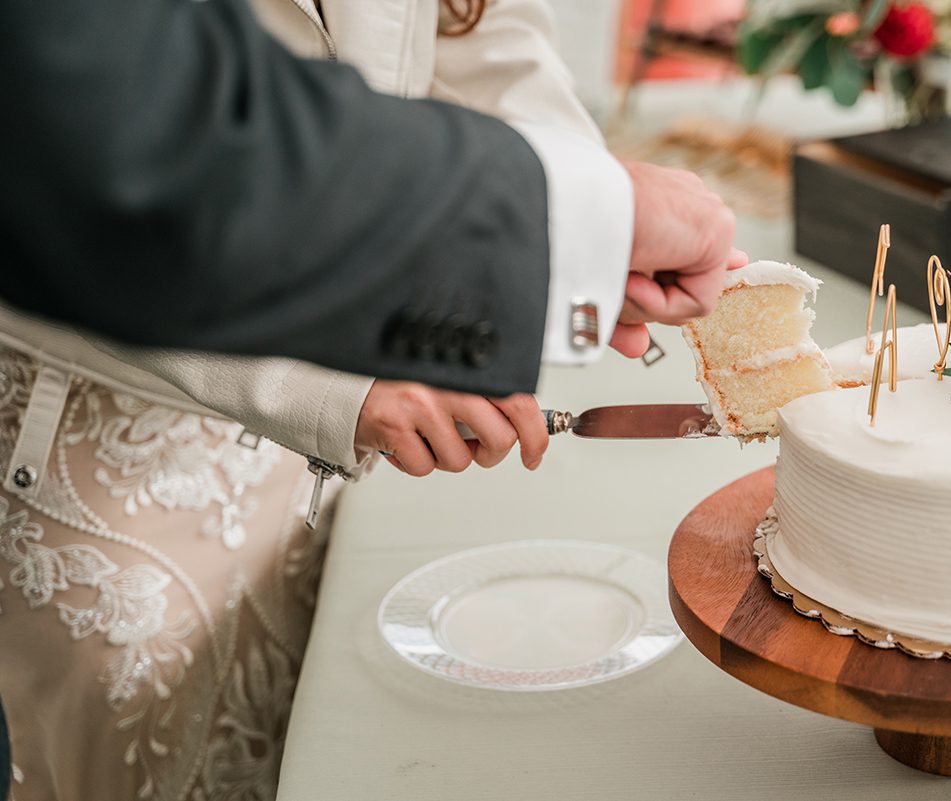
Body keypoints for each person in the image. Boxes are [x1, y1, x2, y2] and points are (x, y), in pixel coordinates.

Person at [0, 1, 742, 799]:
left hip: (336, 448)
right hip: (122, 468)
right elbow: (96, 147)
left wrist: (589, 239)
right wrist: (343, 376)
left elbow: (477, 26)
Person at [1, 0, 738, 390]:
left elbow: (472, 22)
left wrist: (579, 245)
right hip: (114, 407)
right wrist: (574, 219)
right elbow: (126, 140)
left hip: (375, 319)